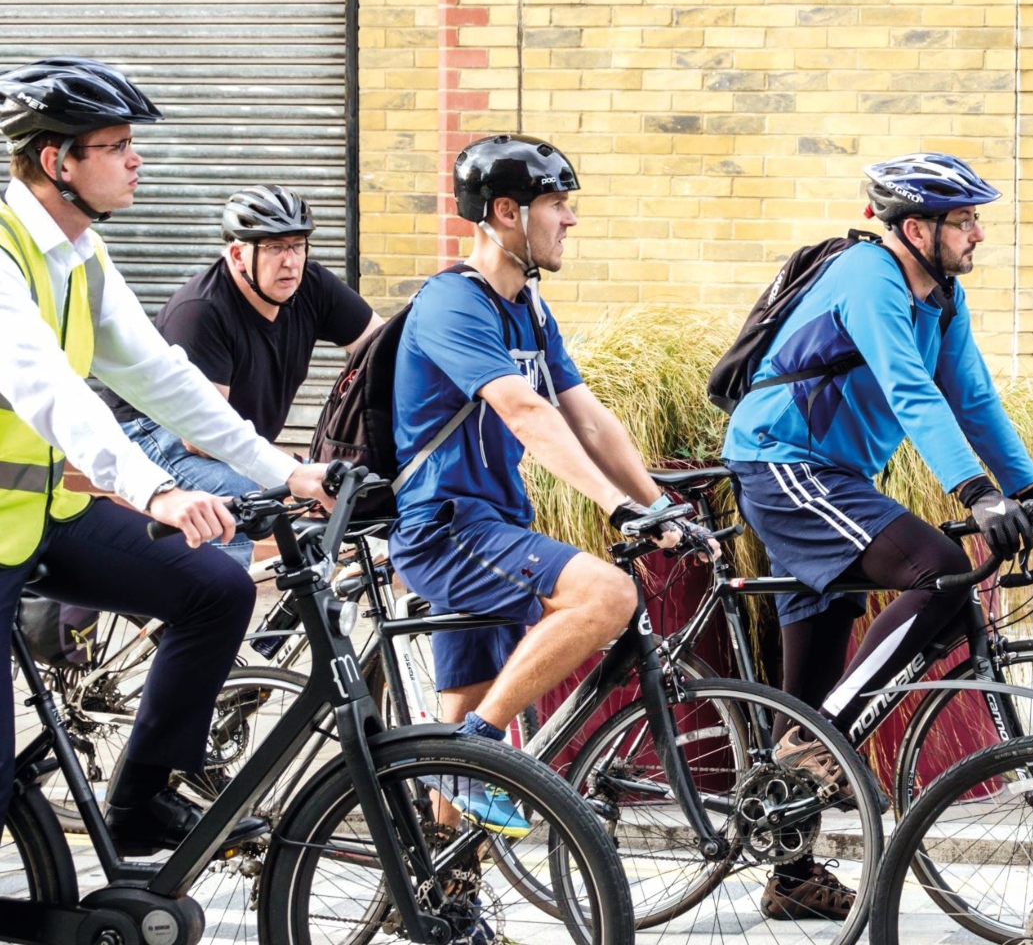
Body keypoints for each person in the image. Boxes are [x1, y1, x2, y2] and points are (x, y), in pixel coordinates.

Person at [721, 152, 1033, 919]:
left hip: (838, 479)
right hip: (783, 465)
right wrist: (976, 495)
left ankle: (791, 876)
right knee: (942, 570)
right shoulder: (870, 278)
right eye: (965, 220)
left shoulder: (942, 301)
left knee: (812, 683)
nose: (978, 234)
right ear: (915, 227)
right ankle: (817, 744)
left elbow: (975, 400)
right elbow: (908, 388)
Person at [0, 56, 335, 854]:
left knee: (216, 588)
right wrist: (155, 492)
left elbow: (161, 379)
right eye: (117, 145)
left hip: (45, 516)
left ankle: (142, 798)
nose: (136, 159)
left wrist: (284, 472)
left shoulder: (81, 254)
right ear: (58, 162)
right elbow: (51, 392)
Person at [387, 134, 704, 833]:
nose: (571, 220)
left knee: (461, 705)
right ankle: (476, 753)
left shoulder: (528, 307)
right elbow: (524, 411)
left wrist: (660, 507)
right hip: (446, 529)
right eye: (558, 203)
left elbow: (588, 418)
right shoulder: (452, 304)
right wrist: (614, 505)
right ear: (507, 211)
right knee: (607, 593)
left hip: (493, 526)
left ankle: (447, 895)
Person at [101, 184, 382, 565]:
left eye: (298, 245)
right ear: (237, 254)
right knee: (236, 503)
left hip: (219, 438)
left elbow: (383, 351)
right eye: (274, 248)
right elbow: (200, 437)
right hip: (154, 432)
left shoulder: (312, 286)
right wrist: (291, 469)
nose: (291, 261)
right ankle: (209, 616)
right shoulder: (201, 311)